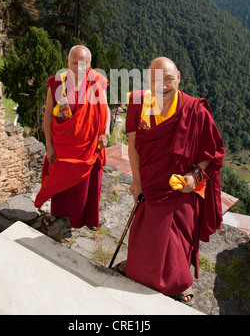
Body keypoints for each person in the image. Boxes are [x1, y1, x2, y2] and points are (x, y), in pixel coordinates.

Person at [114, 57, 225, 305]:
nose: (162, 84)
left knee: (178, 239)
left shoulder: (195, 109)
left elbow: (212, 152)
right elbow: (133, 147)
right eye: (155, 79)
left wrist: (193, 176)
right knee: (145, 234)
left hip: (181, 188)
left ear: (179, 78)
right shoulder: (138, 102)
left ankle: (179, 283)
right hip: (151, 184)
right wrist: (137, 181)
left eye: (168, 78)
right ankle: (138, 268)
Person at [35, 45, 111, 230]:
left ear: (90, 63)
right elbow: (48, 115)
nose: (79, 67)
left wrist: (106, 132)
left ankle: (88, 217)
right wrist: (49, 146)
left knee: (88, 186)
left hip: (90, 146)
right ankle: (59, 213)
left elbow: (106, 108)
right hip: (64, 145)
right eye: (74, 62)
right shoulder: (56, 83)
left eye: (83, 63)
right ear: (67, 62)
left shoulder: (97, 81)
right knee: (61, 181)